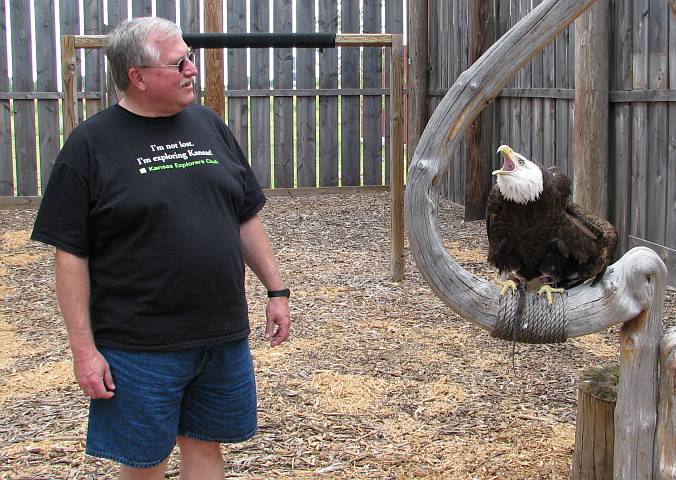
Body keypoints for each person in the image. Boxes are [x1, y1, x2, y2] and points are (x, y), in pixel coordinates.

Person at [31, 17, 291, 479]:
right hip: (139, 347)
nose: (192, 69)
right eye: (180, 63)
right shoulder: (90, 145)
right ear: (139, 76)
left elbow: (244, 213)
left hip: (220, 335)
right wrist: (83, 350)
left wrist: (276, 290)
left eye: (190, 57)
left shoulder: (209, 125)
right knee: (145, 464)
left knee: (206, 448)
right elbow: (70, 253)